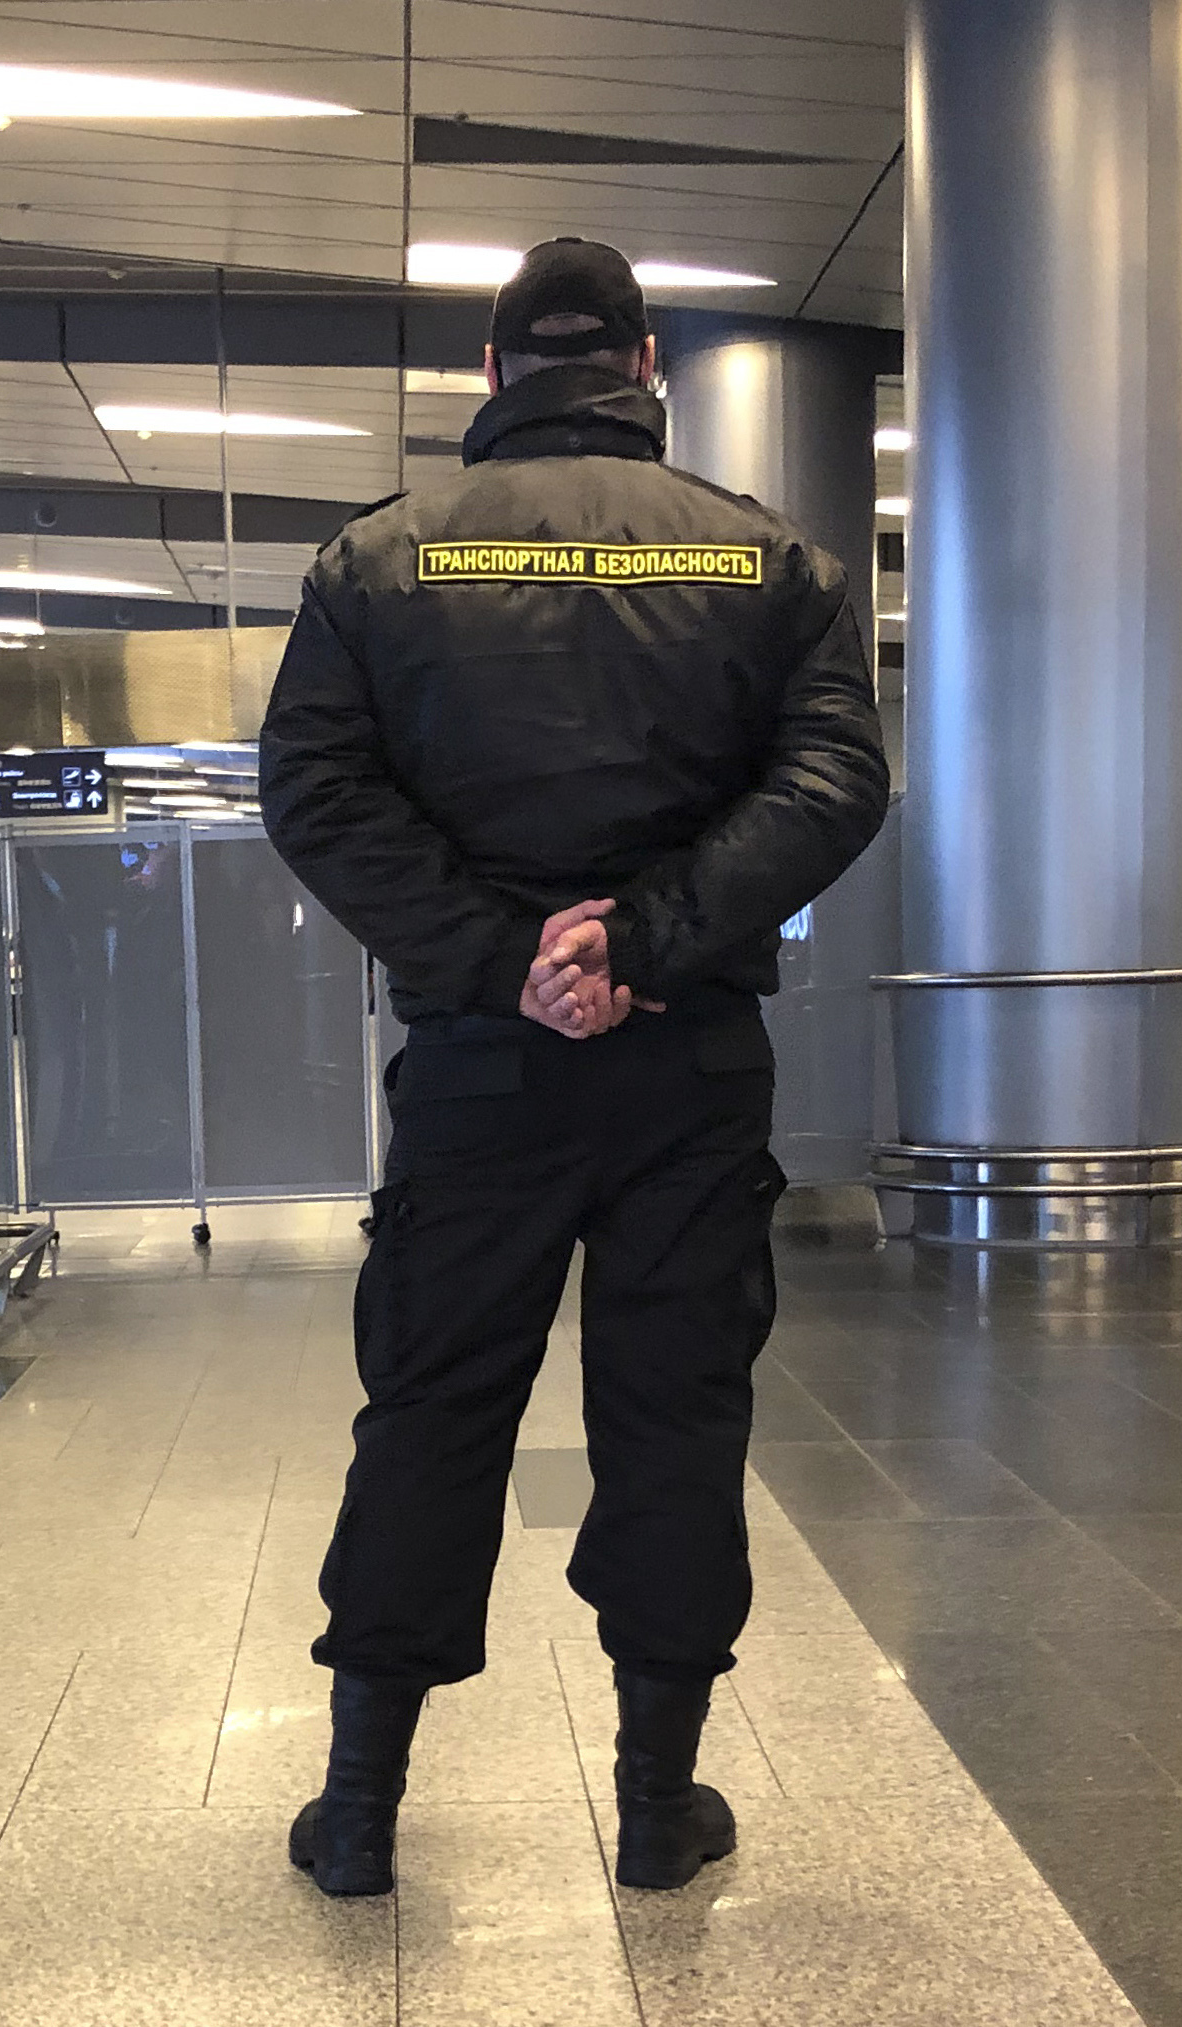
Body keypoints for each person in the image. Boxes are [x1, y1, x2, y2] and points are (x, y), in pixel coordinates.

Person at [256, 239, 889, 1900]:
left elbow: (316, 795)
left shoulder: (373, 566)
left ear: (487, 371)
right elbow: (835, 776)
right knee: (675, 1409)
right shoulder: (775, 570)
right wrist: (649, 937)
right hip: (688, 1066)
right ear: (645, 361)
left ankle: (361, 1812)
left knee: (431, 1405)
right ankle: (658, 1809)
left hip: (478, 1067)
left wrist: (501, 965)